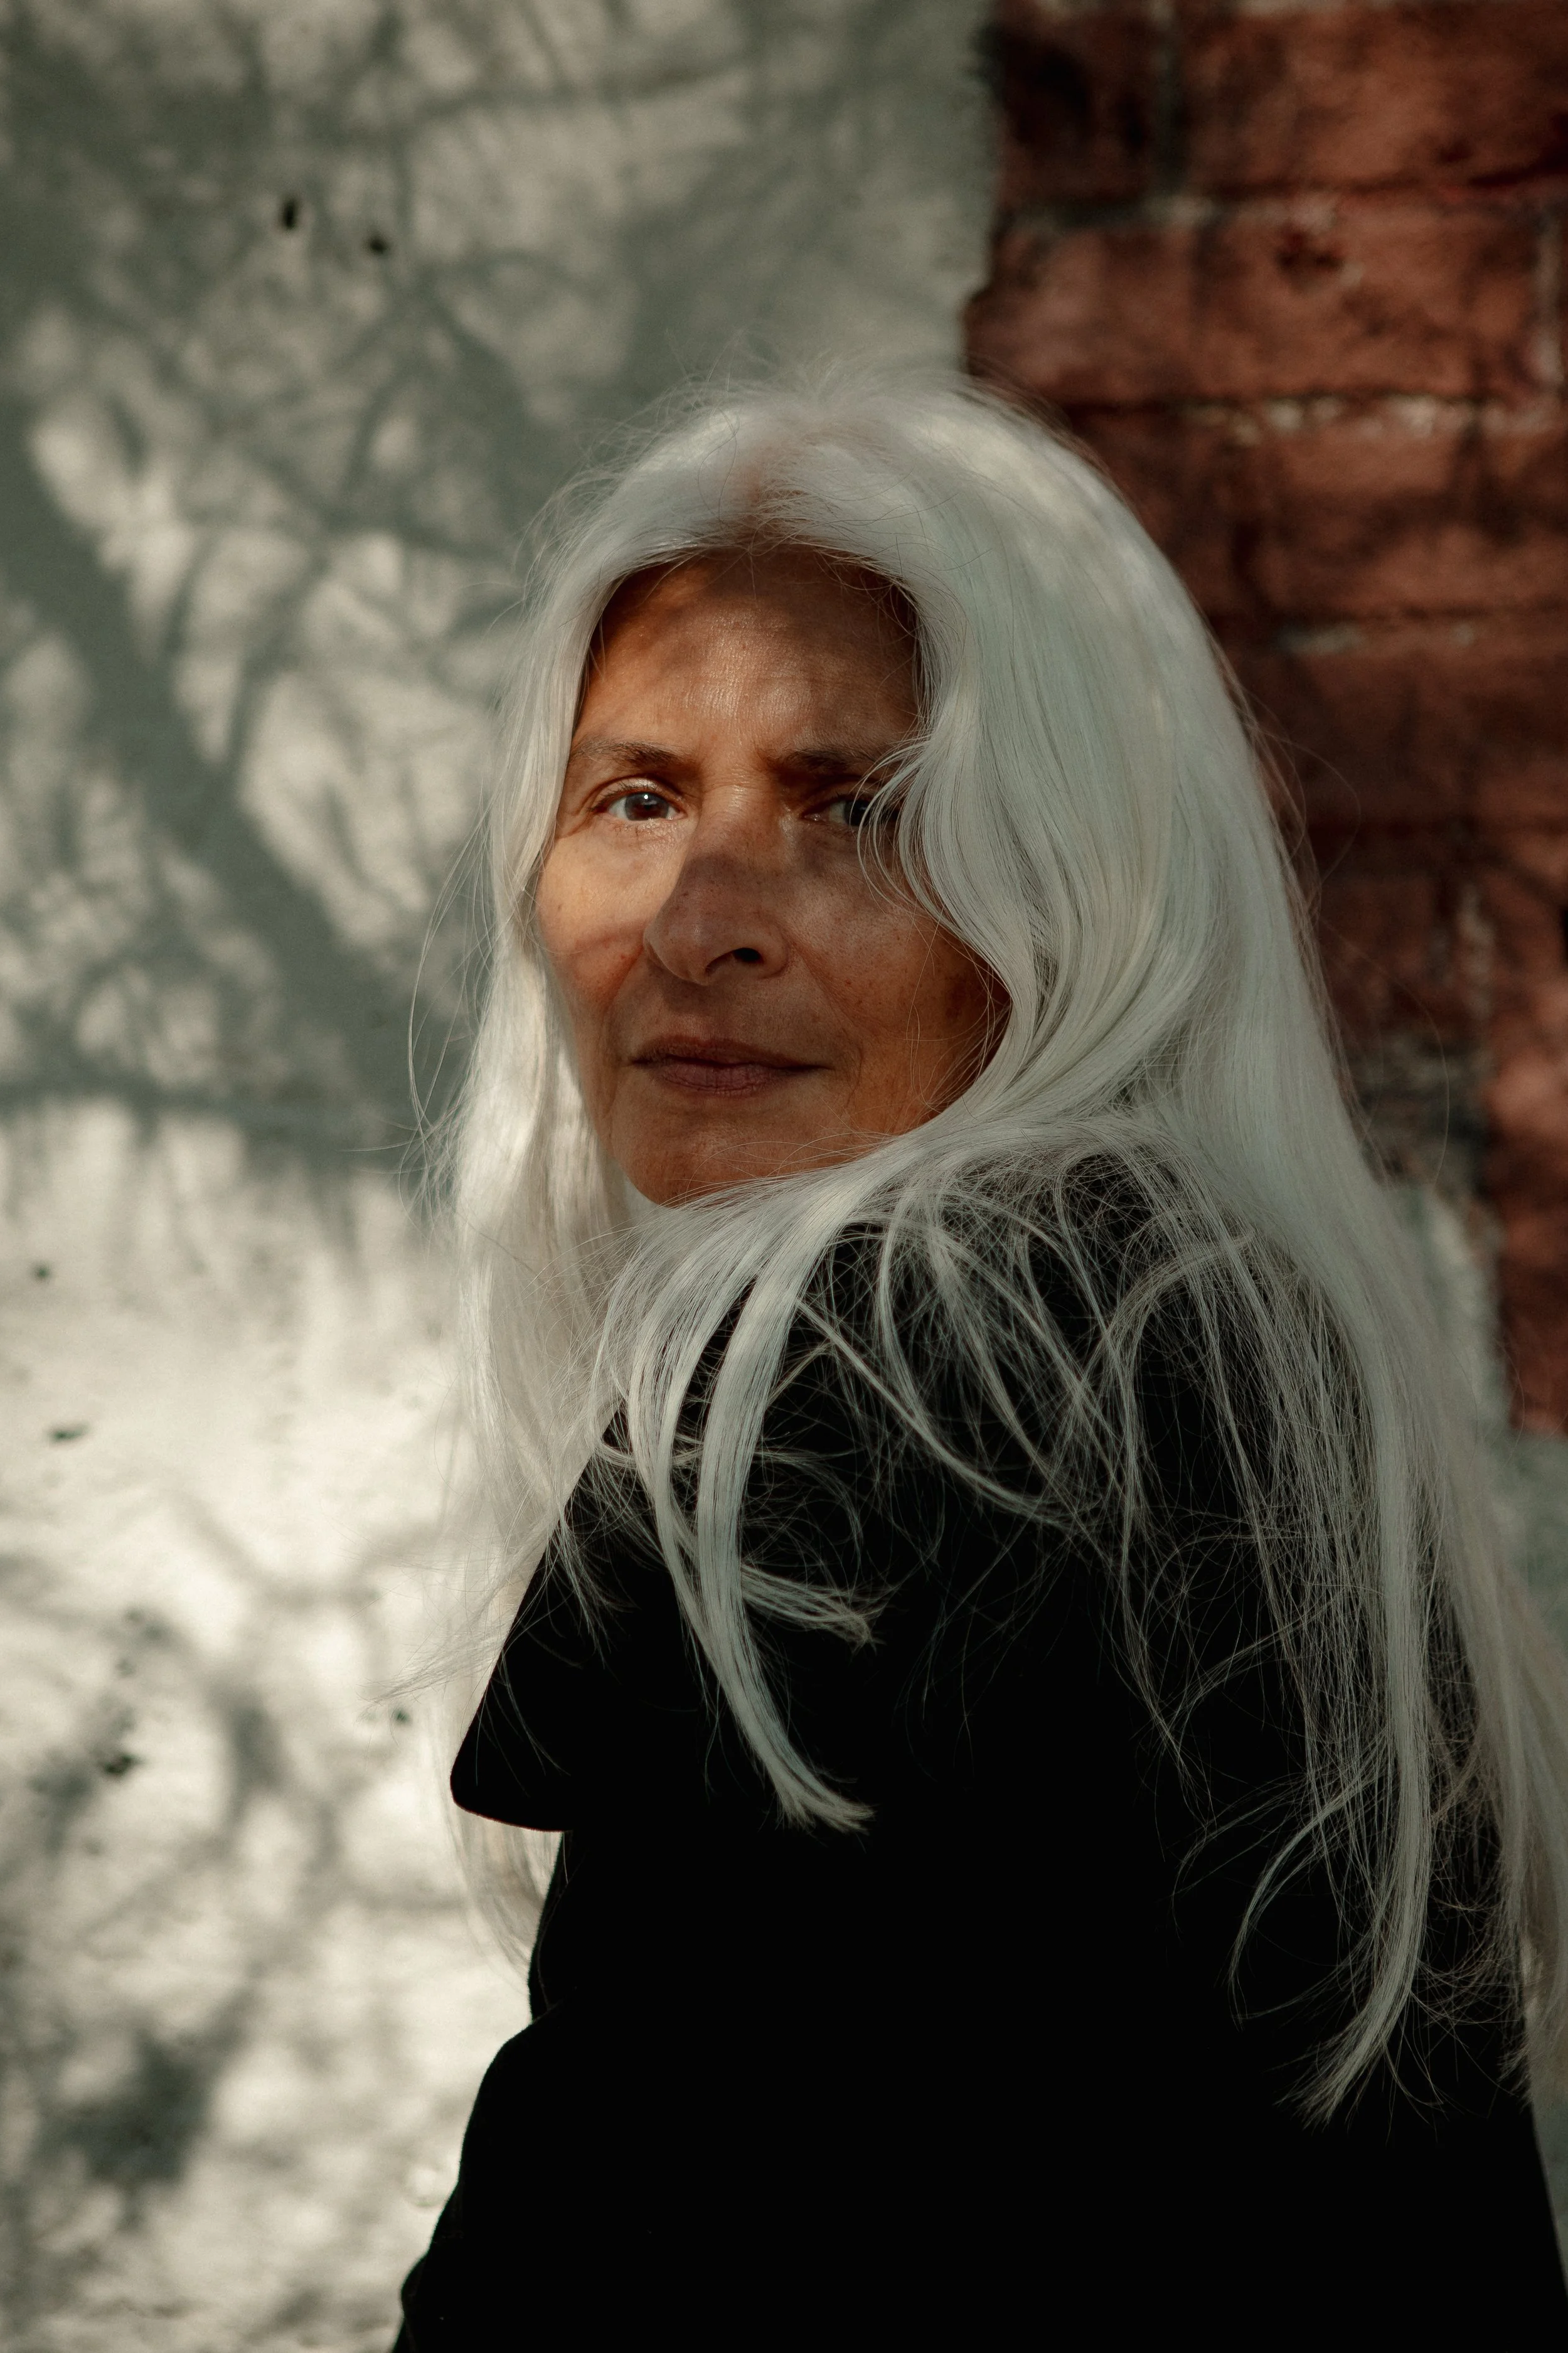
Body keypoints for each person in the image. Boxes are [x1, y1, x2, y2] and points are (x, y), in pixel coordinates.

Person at [393, 375, 1568, 2343]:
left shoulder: (898, 1363)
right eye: (636, 797)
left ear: (1072, 893)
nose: (699, 920)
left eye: (860, 809)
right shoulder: (1218, 1333)